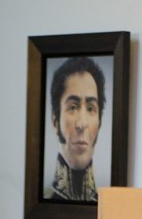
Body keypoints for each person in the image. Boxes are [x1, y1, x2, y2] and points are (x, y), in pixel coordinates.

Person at [44, 57, 107, 201]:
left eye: (90, 108)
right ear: (55, 121)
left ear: (99, 123)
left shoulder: (109, 206)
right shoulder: (43, 200)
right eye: (73, 107)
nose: (82, 123)